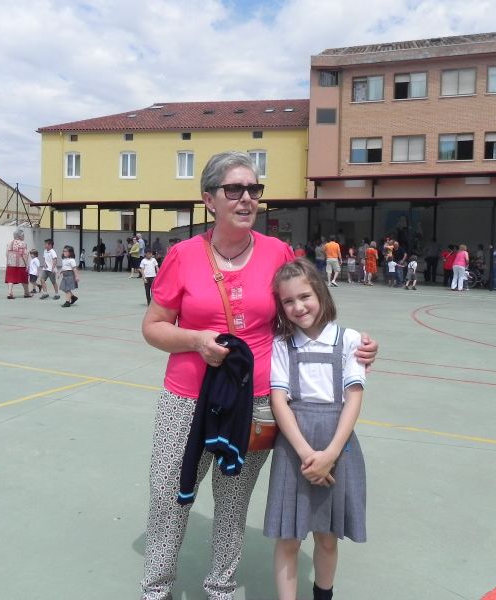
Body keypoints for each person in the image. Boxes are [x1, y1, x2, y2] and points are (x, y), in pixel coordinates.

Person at [139, 151, 378, 600]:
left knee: (233, 502)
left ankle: (220, 589)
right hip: (187, 398)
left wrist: (355, 347)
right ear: (209, 199)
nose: (246, 198)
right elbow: (153, 327)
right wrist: (195, 340)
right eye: (234, 189)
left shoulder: (277, 253)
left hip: (258, 401)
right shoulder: (182, 255)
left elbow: (305, 317)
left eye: (254, 189)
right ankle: (155, 589)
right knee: (168, 494)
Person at [264, 258, 366, 600]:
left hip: (338, 444)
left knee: (327, 536)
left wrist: (330, 454)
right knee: (288, 538)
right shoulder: (282, 344)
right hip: (294, 447)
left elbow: (353, 399)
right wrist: (307, 453)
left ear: (321, 292)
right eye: (288, 301)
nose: (298, 306)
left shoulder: (350, 340)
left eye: (304, 296)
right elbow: (279, 401)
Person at [5, 228, 30, 299]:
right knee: (24, 278)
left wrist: (9, 261)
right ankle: (26, 293)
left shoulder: (9, 243)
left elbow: (6, 254)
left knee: (10, 279)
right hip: (21, 264)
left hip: (10, 264)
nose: (24, 236)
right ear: (20, 236)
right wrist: (26, 264)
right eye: (23, 235)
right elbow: (24, 255)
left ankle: (9, 293)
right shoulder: (23, 243)